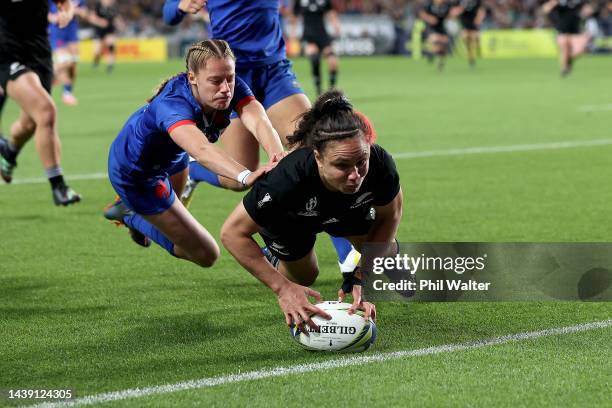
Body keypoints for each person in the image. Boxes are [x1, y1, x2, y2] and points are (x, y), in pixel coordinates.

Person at [163, 0, 361, 276]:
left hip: (274, 71)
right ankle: (194, 170)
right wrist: (181, 5)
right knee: (238, 177)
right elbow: (168, 14)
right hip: (232, 77)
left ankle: (346, 251)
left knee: (316, 146)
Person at [221, 90, 403, 330]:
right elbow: (231, 233)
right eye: (342, 165)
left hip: (345, 210)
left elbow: (390, 216)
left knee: (387, 251)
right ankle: (275, 255)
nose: (355, 175)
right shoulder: (286, 179)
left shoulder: (380, 164)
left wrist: (364, 275)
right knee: (304, 277)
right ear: (317, 157)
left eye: (361, 161)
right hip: (291, 220)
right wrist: (283, 289)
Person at [103, 40, 282, 264]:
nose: (226, 88)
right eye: (216, 81)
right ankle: (130, 215)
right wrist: (245, 175)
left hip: (174, 156)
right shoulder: (172, 105)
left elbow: (258, 120)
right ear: (192, 77)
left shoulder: (226, 85)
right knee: (206, 255)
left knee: (175, 216)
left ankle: (146, 217)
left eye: (230, 78)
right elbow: (201, 149)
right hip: (136, 173)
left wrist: (277, 156)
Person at [0, 0, 81, 205]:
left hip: (40, 55)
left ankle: (9, 151)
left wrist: (67, 13)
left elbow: (65, 3)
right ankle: (58, 185)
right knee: (46, 111)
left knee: (31, 122)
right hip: (7, 55)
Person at [291, 0, 341, 96]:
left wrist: (336, 26)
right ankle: (319, 92)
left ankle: (331, 91)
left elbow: (331, 13)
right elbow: (294, 16)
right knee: (315, 59)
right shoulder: (300, 1)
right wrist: (293, 34)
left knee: (333, 62)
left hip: (323, 36)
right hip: (308, 37)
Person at [48, 0, 88, 105]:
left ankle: (67, 93)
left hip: (72, 30)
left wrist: (74, 11)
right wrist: (54, 18)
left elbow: (84, 13)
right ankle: (50, 73)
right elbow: (44, 12)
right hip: (57, 30)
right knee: (66, 61)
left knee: (74, 63)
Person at [542, 0, 594, 76]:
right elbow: (545, 9)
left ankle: (568, 60)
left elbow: (589, 10)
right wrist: (552, 3)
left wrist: (586, 12)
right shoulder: (560, 2)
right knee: (565, 49)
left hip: (576, 31)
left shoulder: (579, 2)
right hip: (562, 31)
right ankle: (564, 68)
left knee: (584, 49)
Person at [419, 0, 461, 70]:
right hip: (431, 28)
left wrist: (455, 13)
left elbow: (451, 14)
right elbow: (422, 14)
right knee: (435, 39)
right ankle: (431, 52)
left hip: (442, 28)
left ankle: (436, 57)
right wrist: (429, 19)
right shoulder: (429, 5)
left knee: (443, 47)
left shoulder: (446, 5)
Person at [454, 0, 486, 67]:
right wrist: (460, 10)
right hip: (464, 21)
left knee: (474, 37)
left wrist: (479, 19)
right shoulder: (459, 1)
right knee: (466, 38)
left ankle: (475, 50)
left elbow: (481, 10)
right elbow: (454, 11)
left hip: (474, 21)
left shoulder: (477, 1)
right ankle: (470, 56)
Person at [90, 0, 119, 73]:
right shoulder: (98, 5)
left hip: (109, 29)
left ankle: (110, 66)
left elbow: (115, 18)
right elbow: (92, 18)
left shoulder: (113, 7)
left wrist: (120, 24)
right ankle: (96, 60)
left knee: (111, 45)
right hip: (99, 30)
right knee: (97, 50)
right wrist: (100, 22)